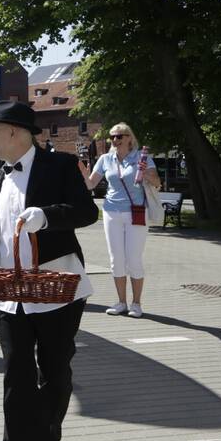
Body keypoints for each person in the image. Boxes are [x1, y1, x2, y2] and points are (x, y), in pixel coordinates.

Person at [0, 101, 98, 441]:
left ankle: (44, 439)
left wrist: (47, 216)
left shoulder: (59, 166)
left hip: (57, 289)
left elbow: (86, 212)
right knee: (16, 372)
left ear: (14, 131)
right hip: (9, 292)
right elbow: (0, 238)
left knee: (55, 372)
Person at [79, 123, 161, 318]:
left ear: (129, 138)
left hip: (136, 212)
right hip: (111, 212)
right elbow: (91, 184)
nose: (115, 140)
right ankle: (121, 302)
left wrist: (147, 172)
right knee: (116, 260)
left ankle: (137, 303)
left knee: (134, 259)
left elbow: (157, 183)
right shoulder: (105, 159)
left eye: (119, 136)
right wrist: (82, 171)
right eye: (112, 137)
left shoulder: (142, 157)